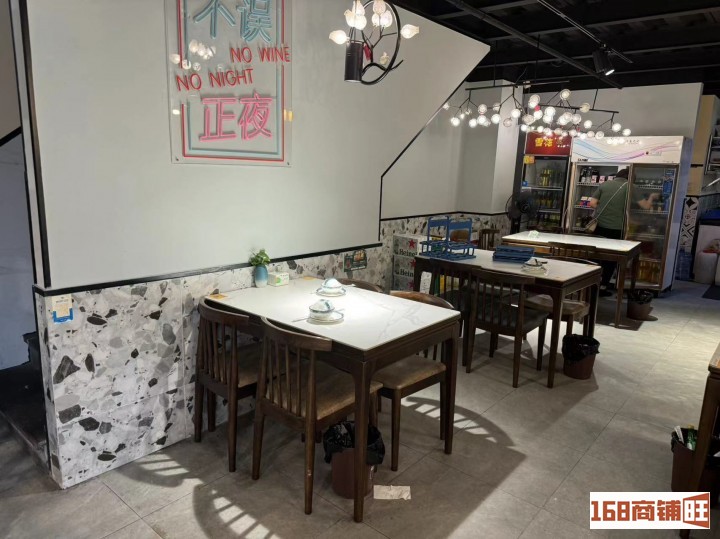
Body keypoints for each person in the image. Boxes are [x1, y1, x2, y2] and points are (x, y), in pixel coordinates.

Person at [588, 168, 659, 296]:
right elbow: (646, 206)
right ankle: (603, 287)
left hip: (599, 227)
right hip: (617, 229)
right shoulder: (631, 187)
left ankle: (591, 285)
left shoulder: (605, 184)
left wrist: (606, 210)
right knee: (611, 258)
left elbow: (592, 203)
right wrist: (652, 197)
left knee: (597, 255)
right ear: (631, 178)